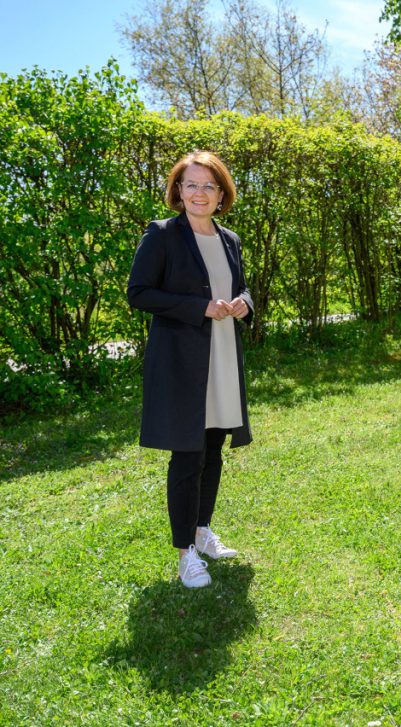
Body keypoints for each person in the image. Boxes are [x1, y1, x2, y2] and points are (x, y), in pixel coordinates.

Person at [128, 151, 254, 588]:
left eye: (209, 186)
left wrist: (245, 304)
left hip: (221, 358)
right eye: (191, 184)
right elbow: (139, 293)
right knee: (188, 455)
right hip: (183, 363)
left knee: (213, 449)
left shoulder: (230, 239)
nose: (199, 193)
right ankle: (184, 553)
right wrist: (198, 307)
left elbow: (240, 287)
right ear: (177, 191)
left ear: (222, 194)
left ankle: (202, 531)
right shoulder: (162, 235)